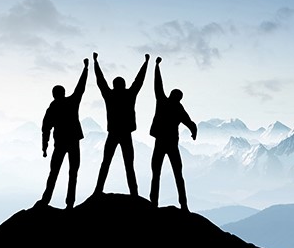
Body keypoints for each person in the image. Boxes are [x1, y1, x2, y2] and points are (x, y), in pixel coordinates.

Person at [92, 52, 148, 197]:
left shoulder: (109, 95)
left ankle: (98, 190)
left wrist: (95, 62)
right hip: (126, 134)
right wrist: (146, 63)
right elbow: (139, 80)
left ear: (114, 85)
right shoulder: (130, 95)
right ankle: (134, 194)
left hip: (113, 133)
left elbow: (100, 80)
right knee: (129, 165)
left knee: (106, 163)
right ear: (123, 85)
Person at [36, 58, 89, 210]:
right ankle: (70, 204)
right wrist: (85, 69)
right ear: (63, 93)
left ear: (54, 94)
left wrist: (44, 147)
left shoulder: (52, 108)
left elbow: (45, 129)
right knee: (73, 173)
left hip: (60, 143)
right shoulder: (72, 102)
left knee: (54, 173)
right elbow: (81, 88)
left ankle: (46, 199)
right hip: (73, 141)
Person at [149, 56, 197, 212]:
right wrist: (193, 133)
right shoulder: (178, 108)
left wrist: (156, 67)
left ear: (171, 95)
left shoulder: (163, 101)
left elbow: (157, 85)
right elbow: (191, 123)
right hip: (172, 144)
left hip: (161, 142)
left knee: (156, 173)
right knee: (178, 174)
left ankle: (153, 203)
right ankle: (184, 205)